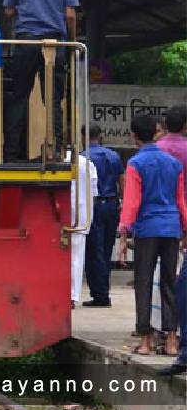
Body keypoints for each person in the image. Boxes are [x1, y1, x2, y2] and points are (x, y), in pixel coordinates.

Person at [1, 0, 80, 162]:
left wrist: (24, 9)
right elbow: (71, 15)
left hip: (26, 42)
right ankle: (54, 151)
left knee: (19, 97)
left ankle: (11, 153)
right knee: (53, 100)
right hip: (54, 45)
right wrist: (71, 42)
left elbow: (8, 11)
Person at [117, 114, 187, 356]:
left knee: (144, 283)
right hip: (171, 227)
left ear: (134, 136)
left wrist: (124, 232)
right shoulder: (173, 164)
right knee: (170, 283)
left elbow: (132, 202)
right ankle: (170, 340)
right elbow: (180, 201)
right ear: (156, 133)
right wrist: (185, 228)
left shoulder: (136, 164)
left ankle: (146, 340)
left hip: (147, 229)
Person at [83, 124, 125, 307]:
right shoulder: (113, 155)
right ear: (100, 136)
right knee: (106, 249)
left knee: (94, 251)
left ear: (83, 136)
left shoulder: (83, 157)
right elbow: (121, 180)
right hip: (111, 205)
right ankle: (103, 290)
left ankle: (100, 294)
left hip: (94, 205)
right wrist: (121, 202)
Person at [70, 149, 98, 309]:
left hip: (59, 214)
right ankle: (72, 296)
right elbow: (94, 193)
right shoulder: (87, 164)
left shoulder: (57, 160)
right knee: (77, 258)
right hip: (81, 216)